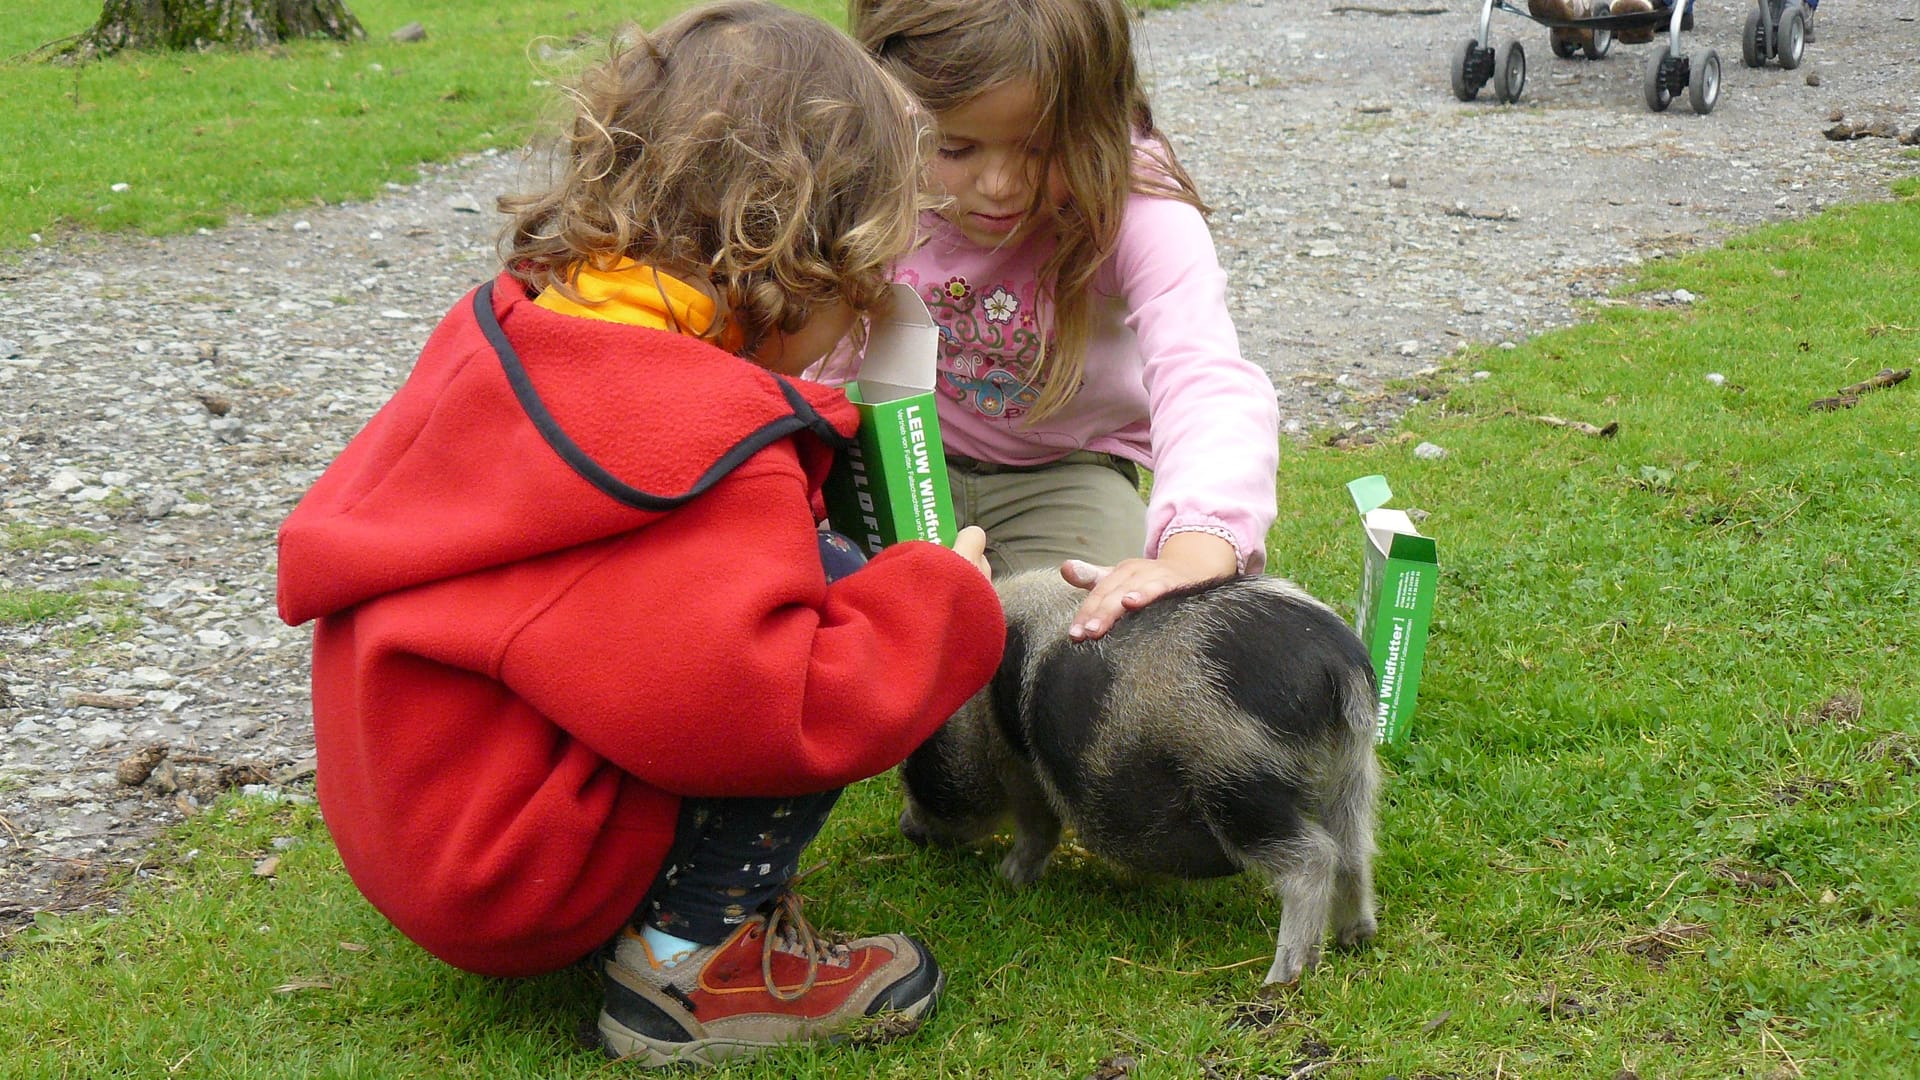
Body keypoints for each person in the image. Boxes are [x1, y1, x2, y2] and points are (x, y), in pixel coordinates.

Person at [274, 1, 1004, 1068]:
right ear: (801, 255)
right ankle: (691, 967)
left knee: (802, 583)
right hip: (508, 876)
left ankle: (645, 904)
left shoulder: (533, 327)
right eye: (860, 291)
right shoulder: (697, 439)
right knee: (833, 601)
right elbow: (774, 703)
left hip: (429, 821)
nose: (860, 323)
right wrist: (937, 599)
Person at [843, 0, 1281, 644]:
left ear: (1101, 124)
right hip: (885, 456)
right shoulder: (870, 171)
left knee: (1101, 629)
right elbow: (813, 339)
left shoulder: (1133, 205)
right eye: (955, 147)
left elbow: (1203, 374)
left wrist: (1195, 546)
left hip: (1063, 474)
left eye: (1042, 150)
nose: (998, 183)